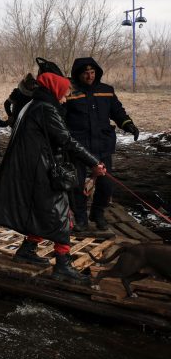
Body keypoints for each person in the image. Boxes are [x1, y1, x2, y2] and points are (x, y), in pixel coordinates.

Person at [0, 72, 106, 285]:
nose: (66, 97)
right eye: (65, 93)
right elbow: (66, 140)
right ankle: (62, 265)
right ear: (55, 90)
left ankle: (27, 249)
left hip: (32, 169)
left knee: (42, 211)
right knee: (62, 215)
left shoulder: (33, 104)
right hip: (40, 171)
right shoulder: (46, 108)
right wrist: (94, 162)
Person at [65, 57, 138, 232]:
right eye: (85, 73)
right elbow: (60, 118)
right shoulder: (69, 92)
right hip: (79, 147)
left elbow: (118, 112)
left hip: (102, 145)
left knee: (106, 185)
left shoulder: (106, 91)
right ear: (77, 75)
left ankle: (97, 214)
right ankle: (81, 218)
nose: (89, 76)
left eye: (92, 72)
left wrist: (128, 125)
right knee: (77, 185)